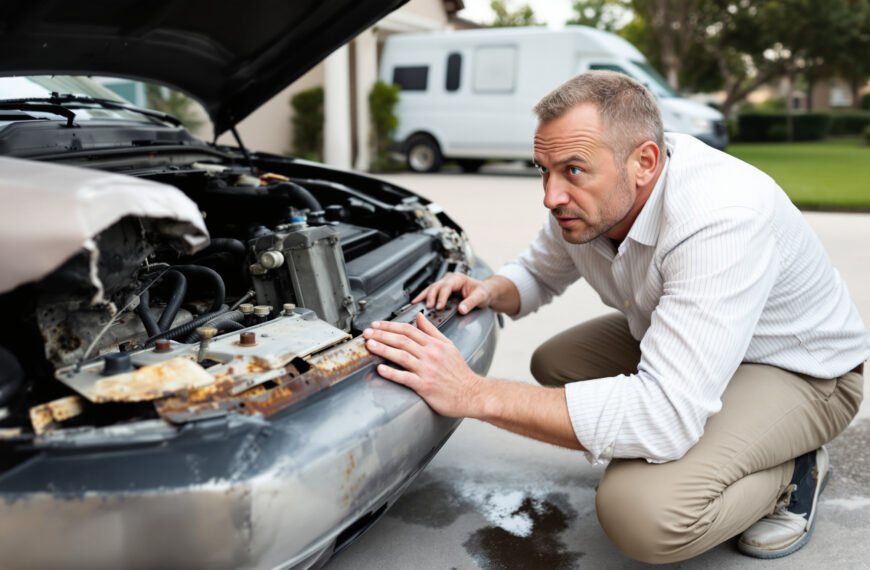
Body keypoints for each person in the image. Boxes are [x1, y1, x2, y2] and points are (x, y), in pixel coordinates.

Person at [362, 70, 868, 563]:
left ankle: (793, 470)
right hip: (711, 347)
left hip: (804, 371)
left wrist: (473, 394)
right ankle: (715, 436)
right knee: (556, 364)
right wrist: (489, 289)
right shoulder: (589, 203)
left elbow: (664, 416)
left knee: (643, 514)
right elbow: (540, 272)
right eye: (545, 169)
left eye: (573, 170)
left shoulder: (720, 218)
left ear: (644, 162)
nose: (551, 195)